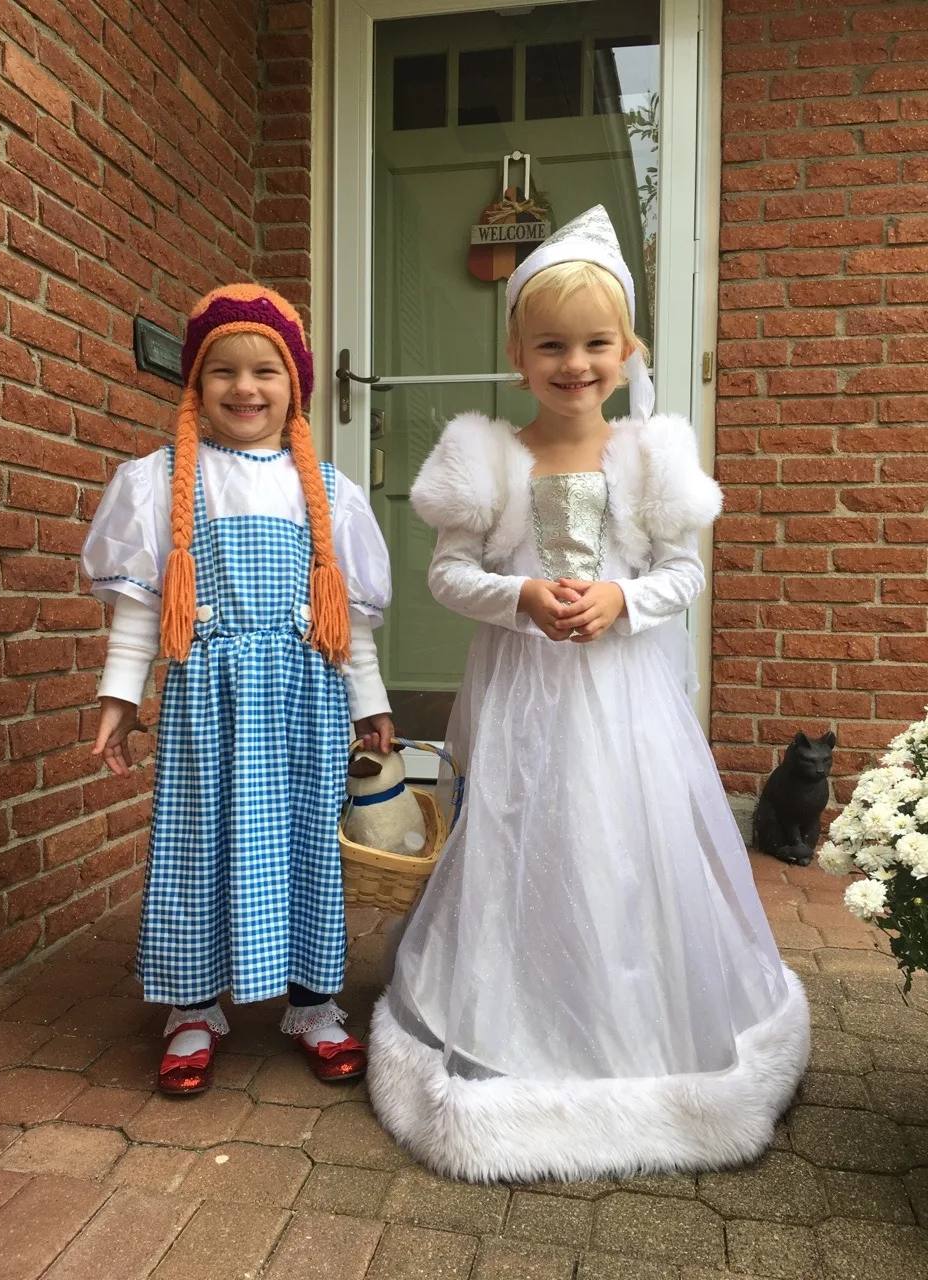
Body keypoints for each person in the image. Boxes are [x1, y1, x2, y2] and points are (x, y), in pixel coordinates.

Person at [367, 207, 809, 1182]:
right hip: (525, 692)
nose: (576, 363)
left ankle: (638, 1014)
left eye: (596, 343)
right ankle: (518, 1000)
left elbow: (684, 577)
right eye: (552, 344)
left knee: (623, 833)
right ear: (518, 353)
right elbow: (447, 576)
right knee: (529, 831)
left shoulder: (652, 455)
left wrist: (623, 595)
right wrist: (521, 593)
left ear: (628, 349)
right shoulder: (487, 456)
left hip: (623, 697)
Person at [82, 284, 393, 1094]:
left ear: (296, 387)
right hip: (206, 704)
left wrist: (372, 702)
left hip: (304, 700)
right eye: (222, 371)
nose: (245, 388)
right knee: (193, 846)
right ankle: (192, 1010)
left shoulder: (326, 491)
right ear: (194, 384)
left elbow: (345, 621)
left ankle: (315, 1005)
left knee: (306, 848)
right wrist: (120, 698)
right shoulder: (160, 484)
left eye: (267, 370)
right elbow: (143, 613)